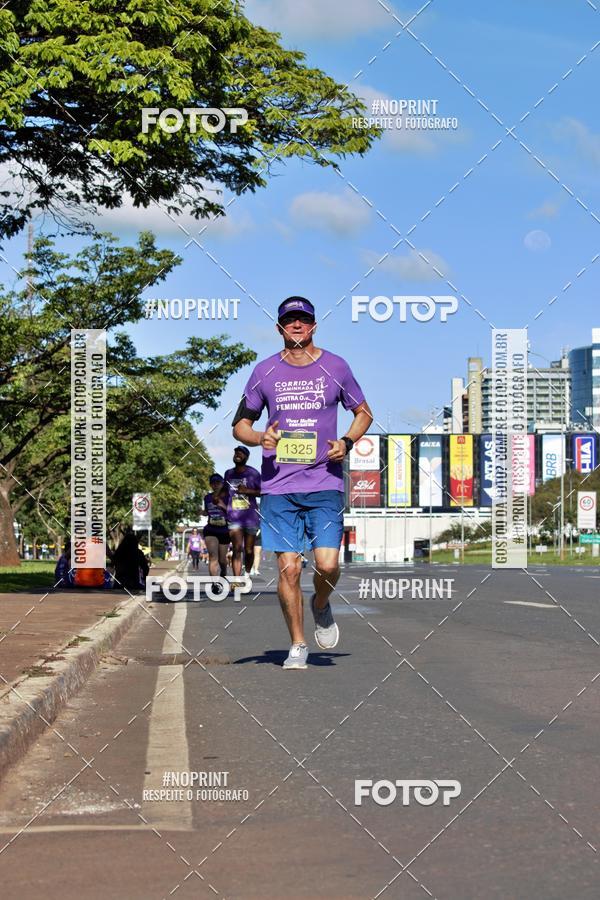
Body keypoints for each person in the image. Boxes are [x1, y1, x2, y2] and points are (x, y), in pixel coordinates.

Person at [232, 296, 373, 669]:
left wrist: (346, 442)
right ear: (279, 328)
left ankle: (321, 604)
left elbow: (363, 413)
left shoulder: (335, 367)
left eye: (303, 320)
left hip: (325, 482)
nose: (296, 325)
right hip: (278, 484)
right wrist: (259, 437)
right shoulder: (264, 372)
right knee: (289, 568)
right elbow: (239, 425)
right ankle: (298, 644)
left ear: (313, 326)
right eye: (289, 320)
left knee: (327, 566)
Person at [224, 446, 261, 579]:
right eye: (235, 452)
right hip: (234, 517)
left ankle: (247, 574)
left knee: (249, 550)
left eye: (240, 453)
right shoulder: (228, 474)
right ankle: (237, 580)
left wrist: (248, 491)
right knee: (237, 549)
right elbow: (224, 491)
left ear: (246, 457)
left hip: (250, 517)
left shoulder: (253, 474)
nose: (237, 454)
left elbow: (263, 491)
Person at [203, 474, 230, 578]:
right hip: (211, 529)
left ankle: (223, 572)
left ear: (222, 484)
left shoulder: (228, 497)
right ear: (210, 485)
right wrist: (202, 512)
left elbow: (233, 512)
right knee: (213, 557)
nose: (216, 485)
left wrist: (222, 505)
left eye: (218, 483)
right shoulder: (207, 497)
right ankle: (214, 584)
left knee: (222, 559)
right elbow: (207, 511)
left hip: (224, 530)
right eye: (213, 483)